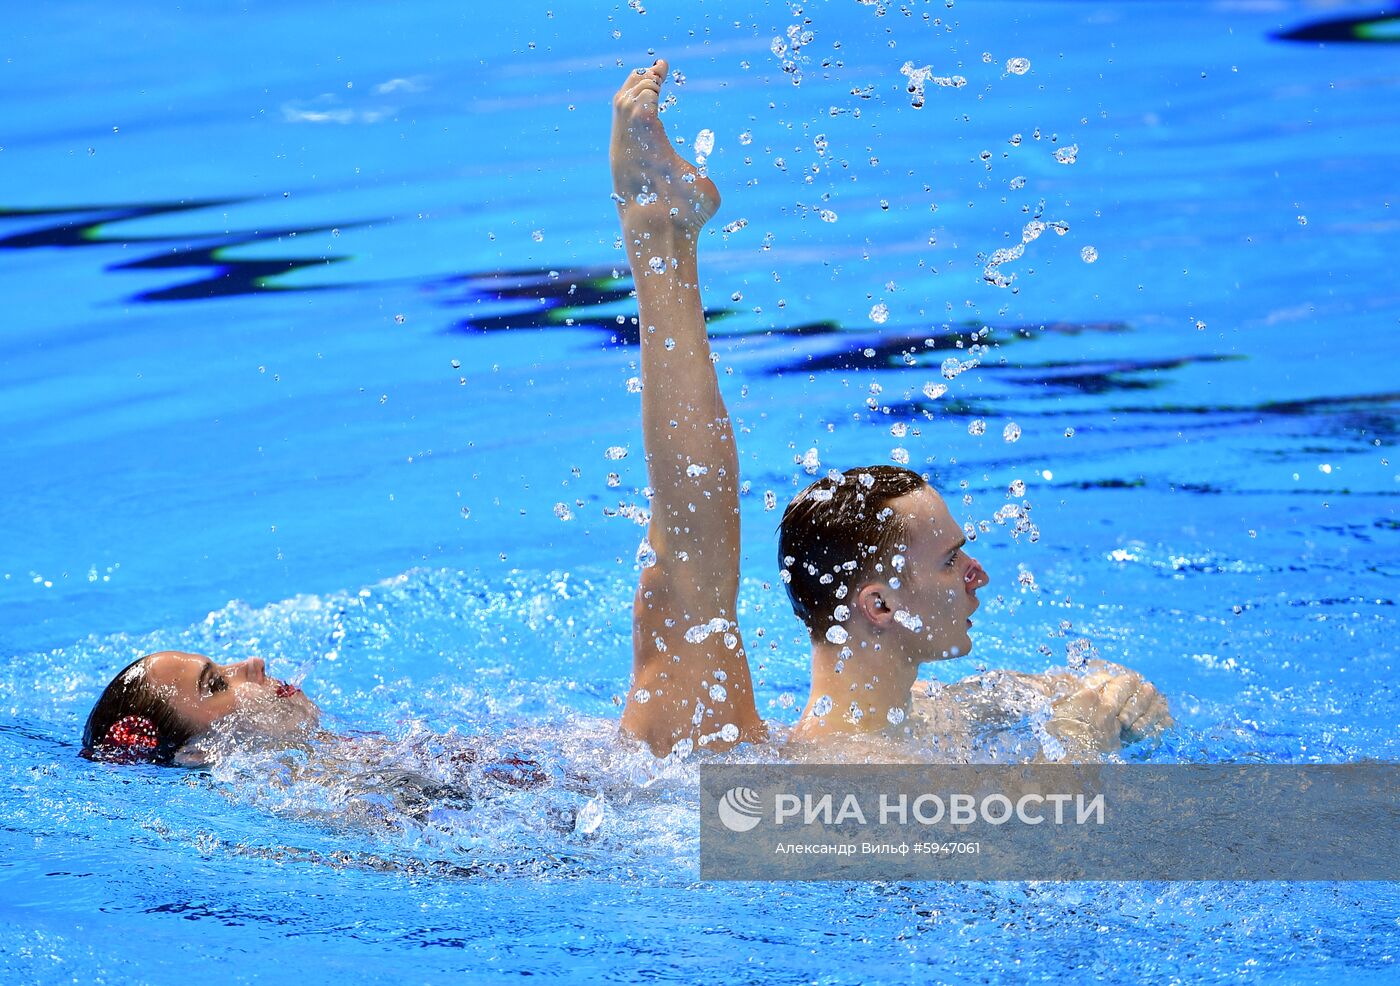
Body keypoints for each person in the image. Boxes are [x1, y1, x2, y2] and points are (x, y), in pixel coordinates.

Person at [609, 59, 1171, 760]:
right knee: (688, 609)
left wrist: (1113, 692)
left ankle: (666, 231)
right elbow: (1041, 839)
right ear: (878, 606)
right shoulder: (839, 772)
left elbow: (1070, 686)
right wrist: (1083, 739)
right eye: (949, 563)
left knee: (693, 595)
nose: (979, 575)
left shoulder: (938, 714)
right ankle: (657, 236)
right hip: (580, 807)